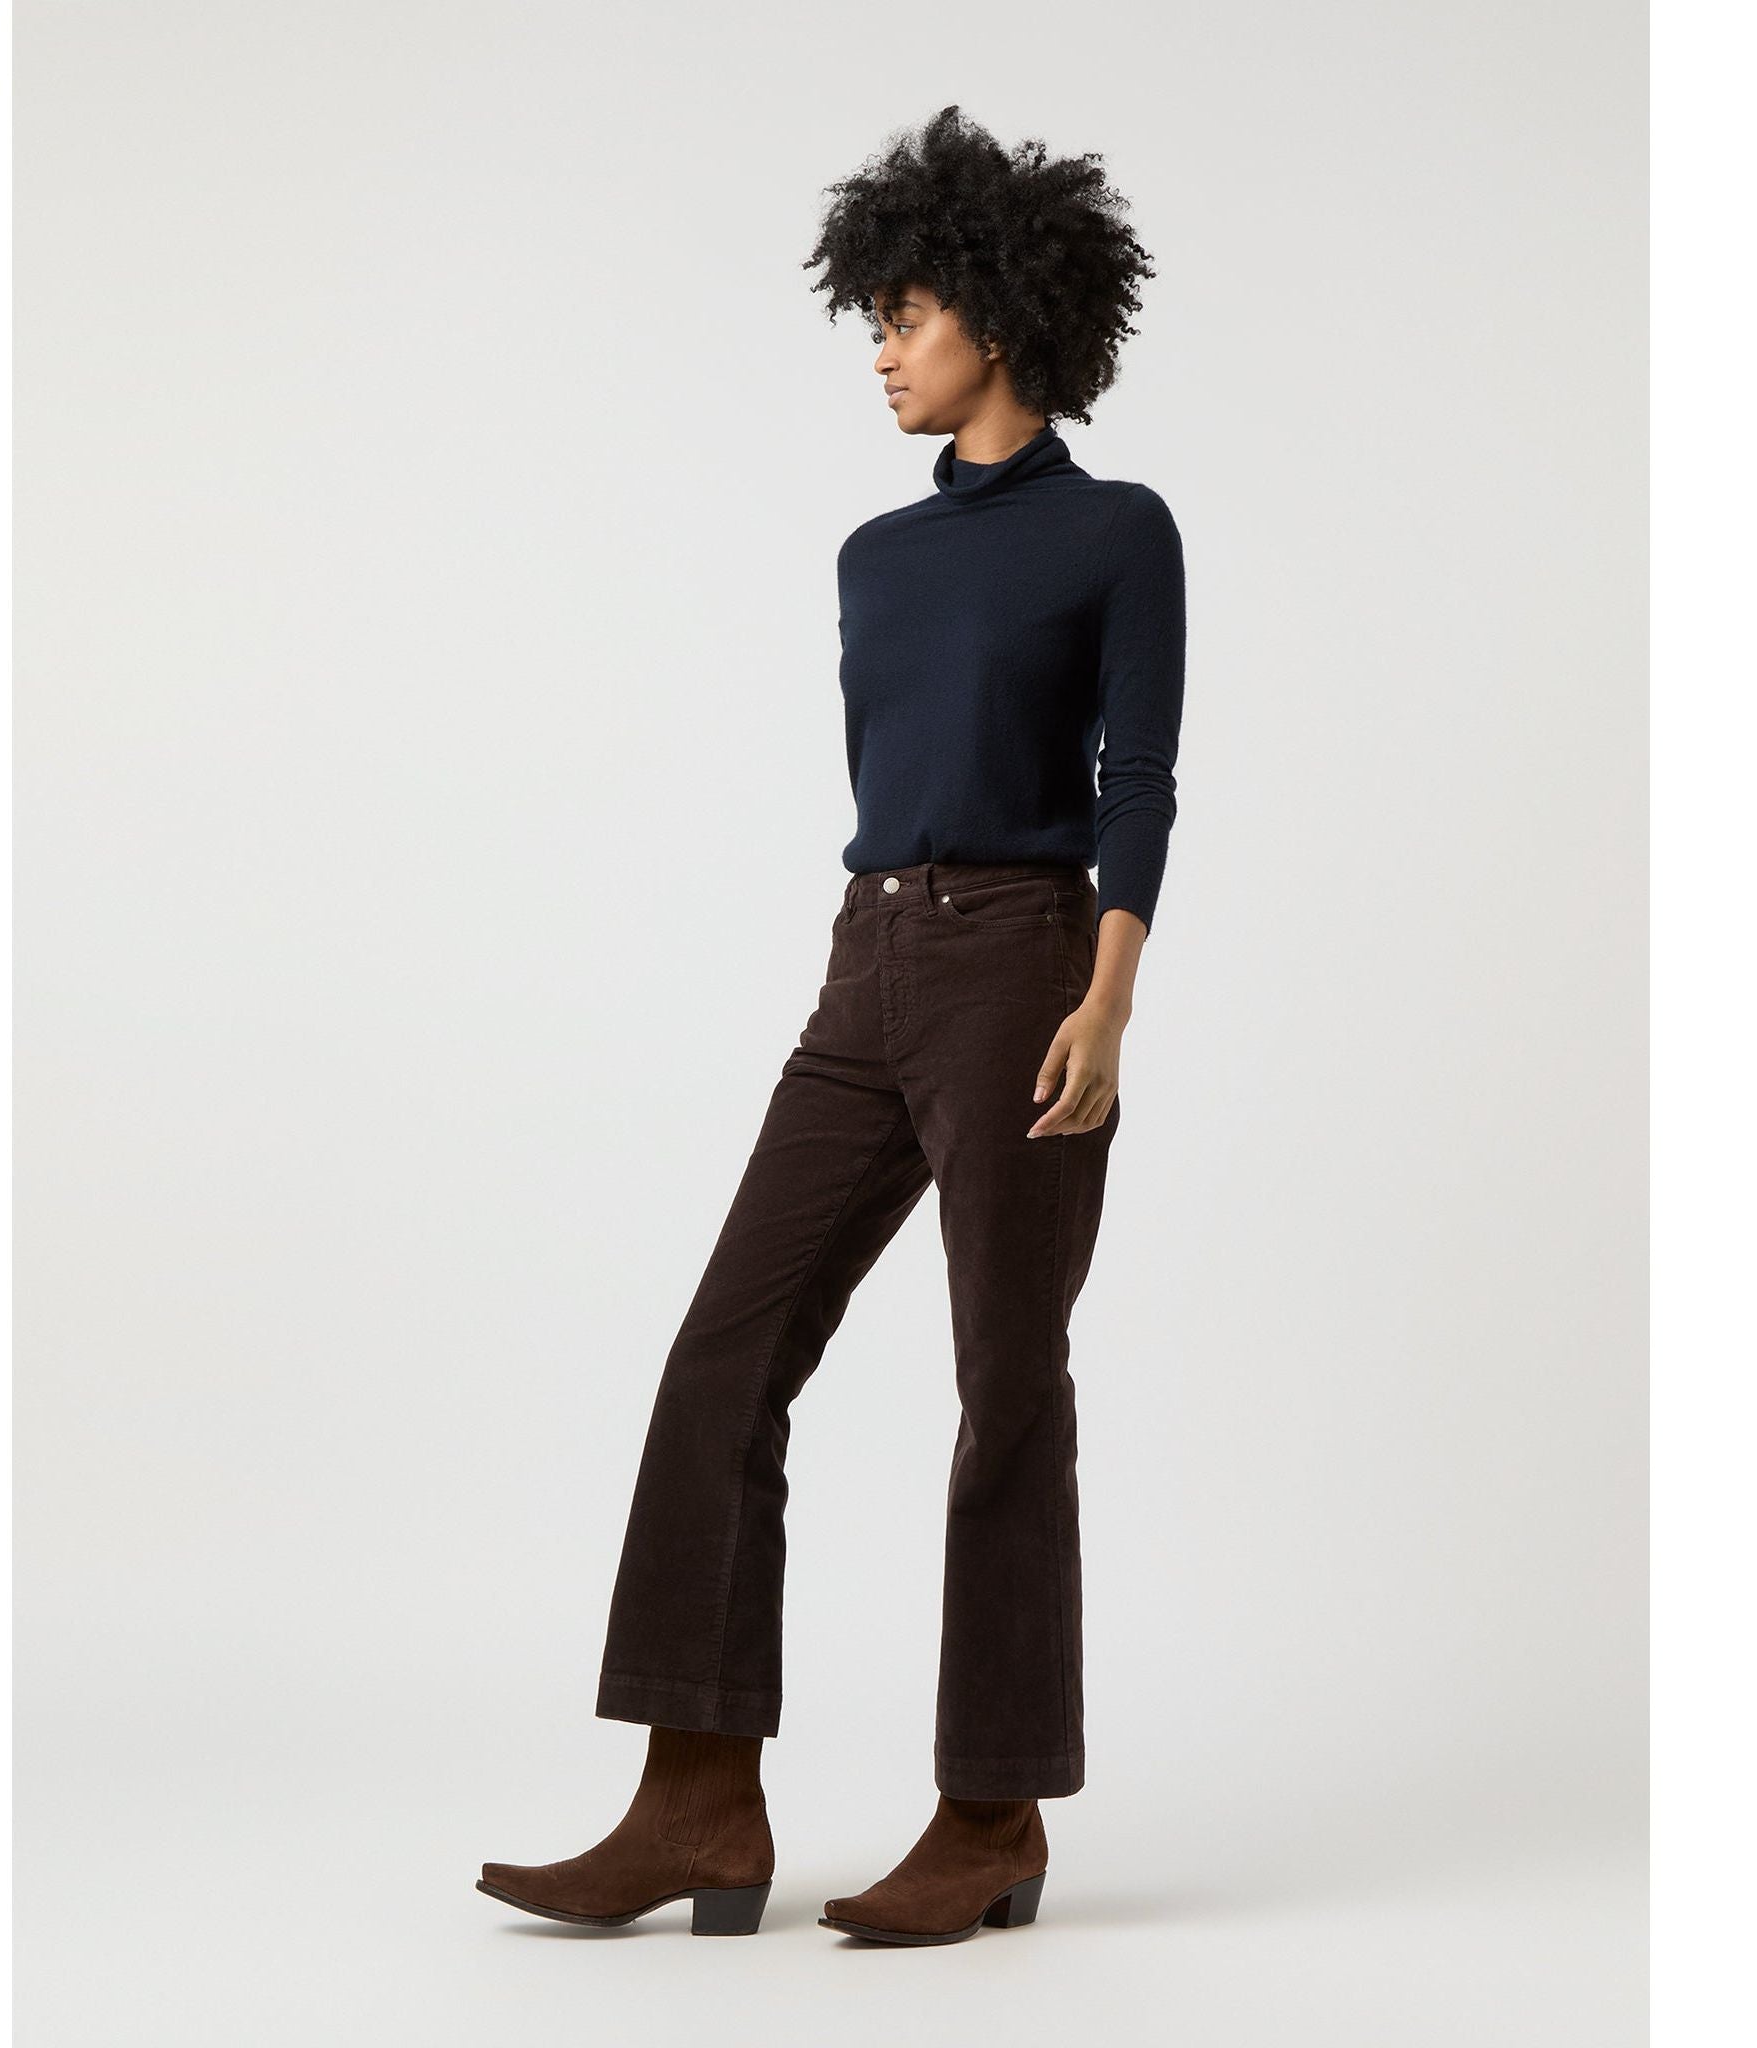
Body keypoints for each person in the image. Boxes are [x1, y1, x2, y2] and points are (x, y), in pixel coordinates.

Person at [476, 104, 1186, 1945]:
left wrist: (1108, 998)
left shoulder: (1117, 532)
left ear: (1000, 321)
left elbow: (1136, 779)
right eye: (875, 317)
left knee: (1005, 1385)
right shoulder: (877, 552)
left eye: (906, 315)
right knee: (726, 1355)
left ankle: (993, 1814)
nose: (880, 348)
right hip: (866, 962)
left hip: (1027, 968)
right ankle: (698, 1800)